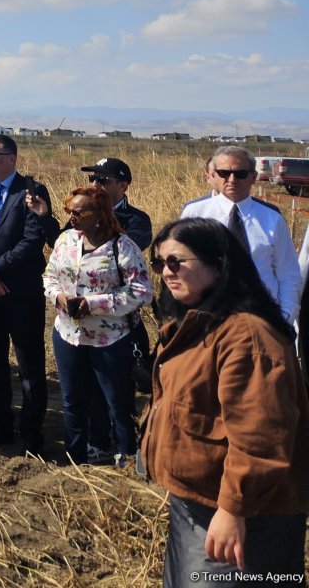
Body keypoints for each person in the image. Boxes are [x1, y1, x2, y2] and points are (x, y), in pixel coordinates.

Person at [143, 217, 309, 582]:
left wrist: (233, 510)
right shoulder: (197, 323)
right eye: (159, 263)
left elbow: (261, 436)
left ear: (218, 266)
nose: (166, 272)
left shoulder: (247, 338)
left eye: (177, 262)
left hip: (249, 516)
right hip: (199, 501)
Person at [41, 186, 151, 466]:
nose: (72, 217)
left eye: (79, 212)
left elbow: (141, 292)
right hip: (68, 335)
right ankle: (76, 456)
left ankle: (127, 458)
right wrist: (60, 297)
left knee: (118, 403)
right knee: (73, 401)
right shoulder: (66, 240)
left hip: (110, 338)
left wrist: (94, 304)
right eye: (69, 210)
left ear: (100, 215)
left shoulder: (122, 246)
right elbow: (50, 276)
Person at [0, 134, 57, 454]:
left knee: (29, 362)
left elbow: (32, 240)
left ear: (12, 158)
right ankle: (0, 425)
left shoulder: (31, 191)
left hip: (21, 290)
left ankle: (32, 433)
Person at [181, 145, 301, 327]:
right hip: (208, 320)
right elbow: (181, 267)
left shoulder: (272, 218)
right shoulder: (195, 213)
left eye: (240, 174)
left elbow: (288, 273)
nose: (232, 179)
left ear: (254, 177)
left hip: (262, 319)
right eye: (223, 173)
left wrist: (284, 319)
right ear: (213, 175)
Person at [80, 157, 151, 250]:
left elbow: (128, 249)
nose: (94, 184)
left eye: (102, 180)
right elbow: (64, 244)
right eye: (92, 178)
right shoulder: (82, 212)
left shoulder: (138, 220)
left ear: (122, 185)